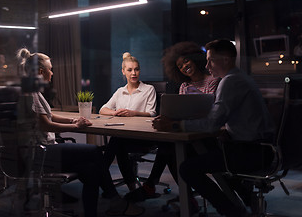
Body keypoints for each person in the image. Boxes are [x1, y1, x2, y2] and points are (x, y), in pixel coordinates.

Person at [152, 39, 275, 217]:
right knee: (204, 152)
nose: (207, 65)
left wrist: (174, 124)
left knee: (187, 168)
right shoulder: (239, 78)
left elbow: (211, 123)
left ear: (225, 59)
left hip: (252, 152)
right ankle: (244, 197)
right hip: (260, 148)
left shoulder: (229, 82)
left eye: (211, 60)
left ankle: (231, 210)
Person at [16, 48, 144, 217]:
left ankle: (100, 209)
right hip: (40, 152)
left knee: (91, 169)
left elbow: (49, 115)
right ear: (41, 71)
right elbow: (45, 124)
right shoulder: (30, 93)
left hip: (45, 150)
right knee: (93, 152)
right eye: (50, 69)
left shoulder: (33, 90)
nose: (53, 73)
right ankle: (116, 201)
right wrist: (75, 127)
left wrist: (72, 120)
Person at [125, 42, 220, 203]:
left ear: (194, 59)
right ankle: (184, 198)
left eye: (186, 61)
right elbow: (181, 113)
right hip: (186, 136)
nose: (184, 67)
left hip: (206, 137)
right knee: (168, 148)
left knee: (168, 150)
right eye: (180, 66)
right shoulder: (183, 85)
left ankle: (153, 186)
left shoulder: (213, 81)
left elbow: (211, 113)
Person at [100, 52, 157, 192]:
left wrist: (134, 113)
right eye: (130, 70)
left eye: (136, 69)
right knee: (118, 143)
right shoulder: (120, 91)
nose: (134, 73)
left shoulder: (148, 89)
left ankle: (100, 174)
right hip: (124, 136)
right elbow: (103, 109)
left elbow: (152, 113)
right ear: (123, 71)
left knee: (116, 143)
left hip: (142, 137)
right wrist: (114, 112)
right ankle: (131, 186)